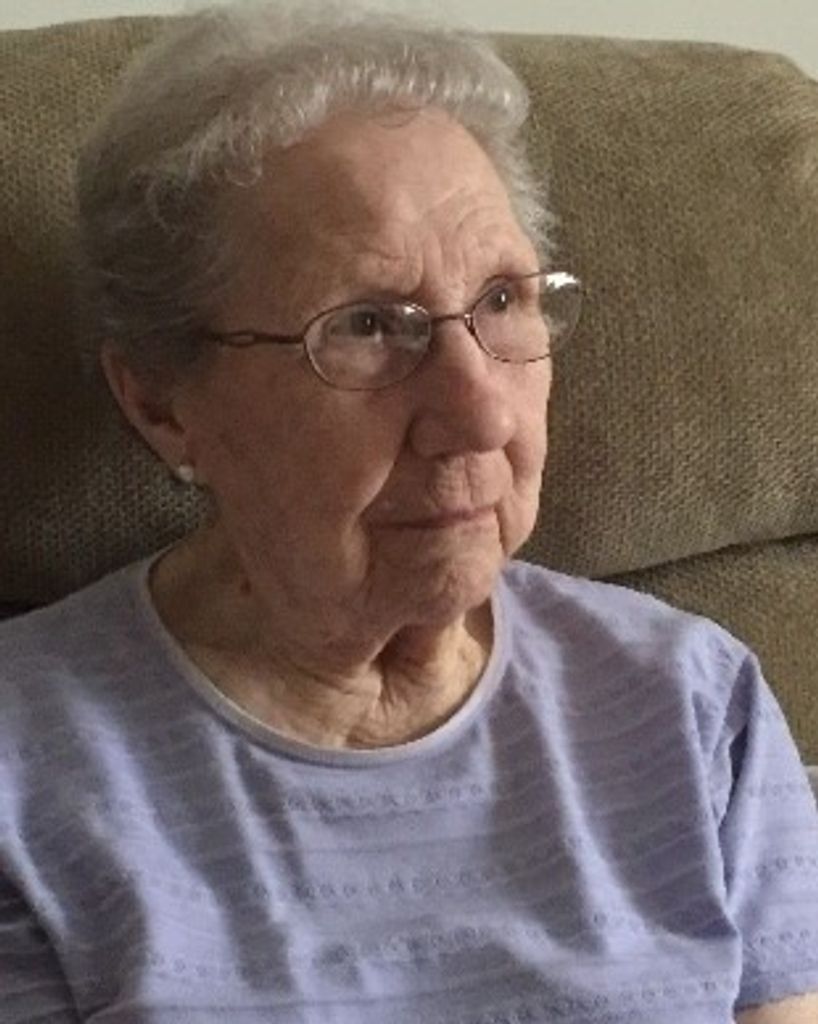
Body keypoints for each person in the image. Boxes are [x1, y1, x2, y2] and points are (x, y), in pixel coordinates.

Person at [1, 3, 817, 1022]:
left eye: (504, 301)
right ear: (162, 403)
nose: (479, 415)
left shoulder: (691, 703)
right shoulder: (25, 771)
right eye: (366, 326)